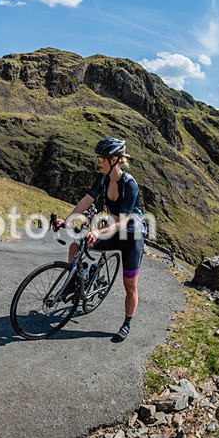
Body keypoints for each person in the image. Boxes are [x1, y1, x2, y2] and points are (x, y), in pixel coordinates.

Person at [54, 137, 145, 343]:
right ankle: (74, 282)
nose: (98, 163)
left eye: (102, 159)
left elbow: (122, 223)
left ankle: (127, 322)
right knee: (76, 243)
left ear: (114, 159)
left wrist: (99, 232)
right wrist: (66, 220)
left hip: (131, 237)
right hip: (113, 231)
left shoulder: (129, 185)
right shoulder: (103, 179)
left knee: (130, 286)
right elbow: (87, 200)